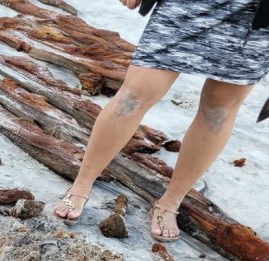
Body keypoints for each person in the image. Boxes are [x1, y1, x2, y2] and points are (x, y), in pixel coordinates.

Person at [53, 0, 269, 241]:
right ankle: (81, 184)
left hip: (253, 22)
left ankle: (171, 201)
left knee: (218, 112)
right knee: (134, 95)